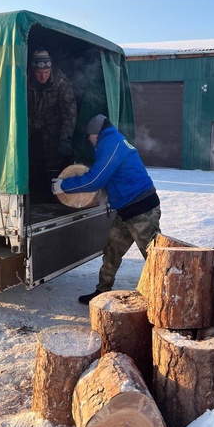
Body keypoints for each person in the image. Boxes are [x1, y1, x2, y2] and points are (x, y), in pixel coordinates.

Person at [51, 114, 161, 304]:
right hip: (127, 209)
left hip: (142, 210)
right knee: (111, 251)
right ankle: (102, 291)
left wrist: (64, 186)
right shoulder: (112, 141)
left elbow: (96, 178)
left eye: (89, 135)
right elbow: (111, 178)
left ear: (96, 133)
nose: (88, 139)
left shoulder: (112, 143)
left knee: (155, 257)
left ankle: (165, 298)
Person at [28, 49, 77, 198]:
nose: (43, 76)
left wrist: (65, 138)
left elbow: (69, 113)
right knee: (23, 153)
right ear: (33, 70)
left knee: (53, 157)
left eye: (46, 72)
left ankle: (51, 194)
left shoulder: (61, 83)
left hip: (52, 123)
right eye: (39, 72)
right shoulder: (23, 78)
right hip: (29, 121)